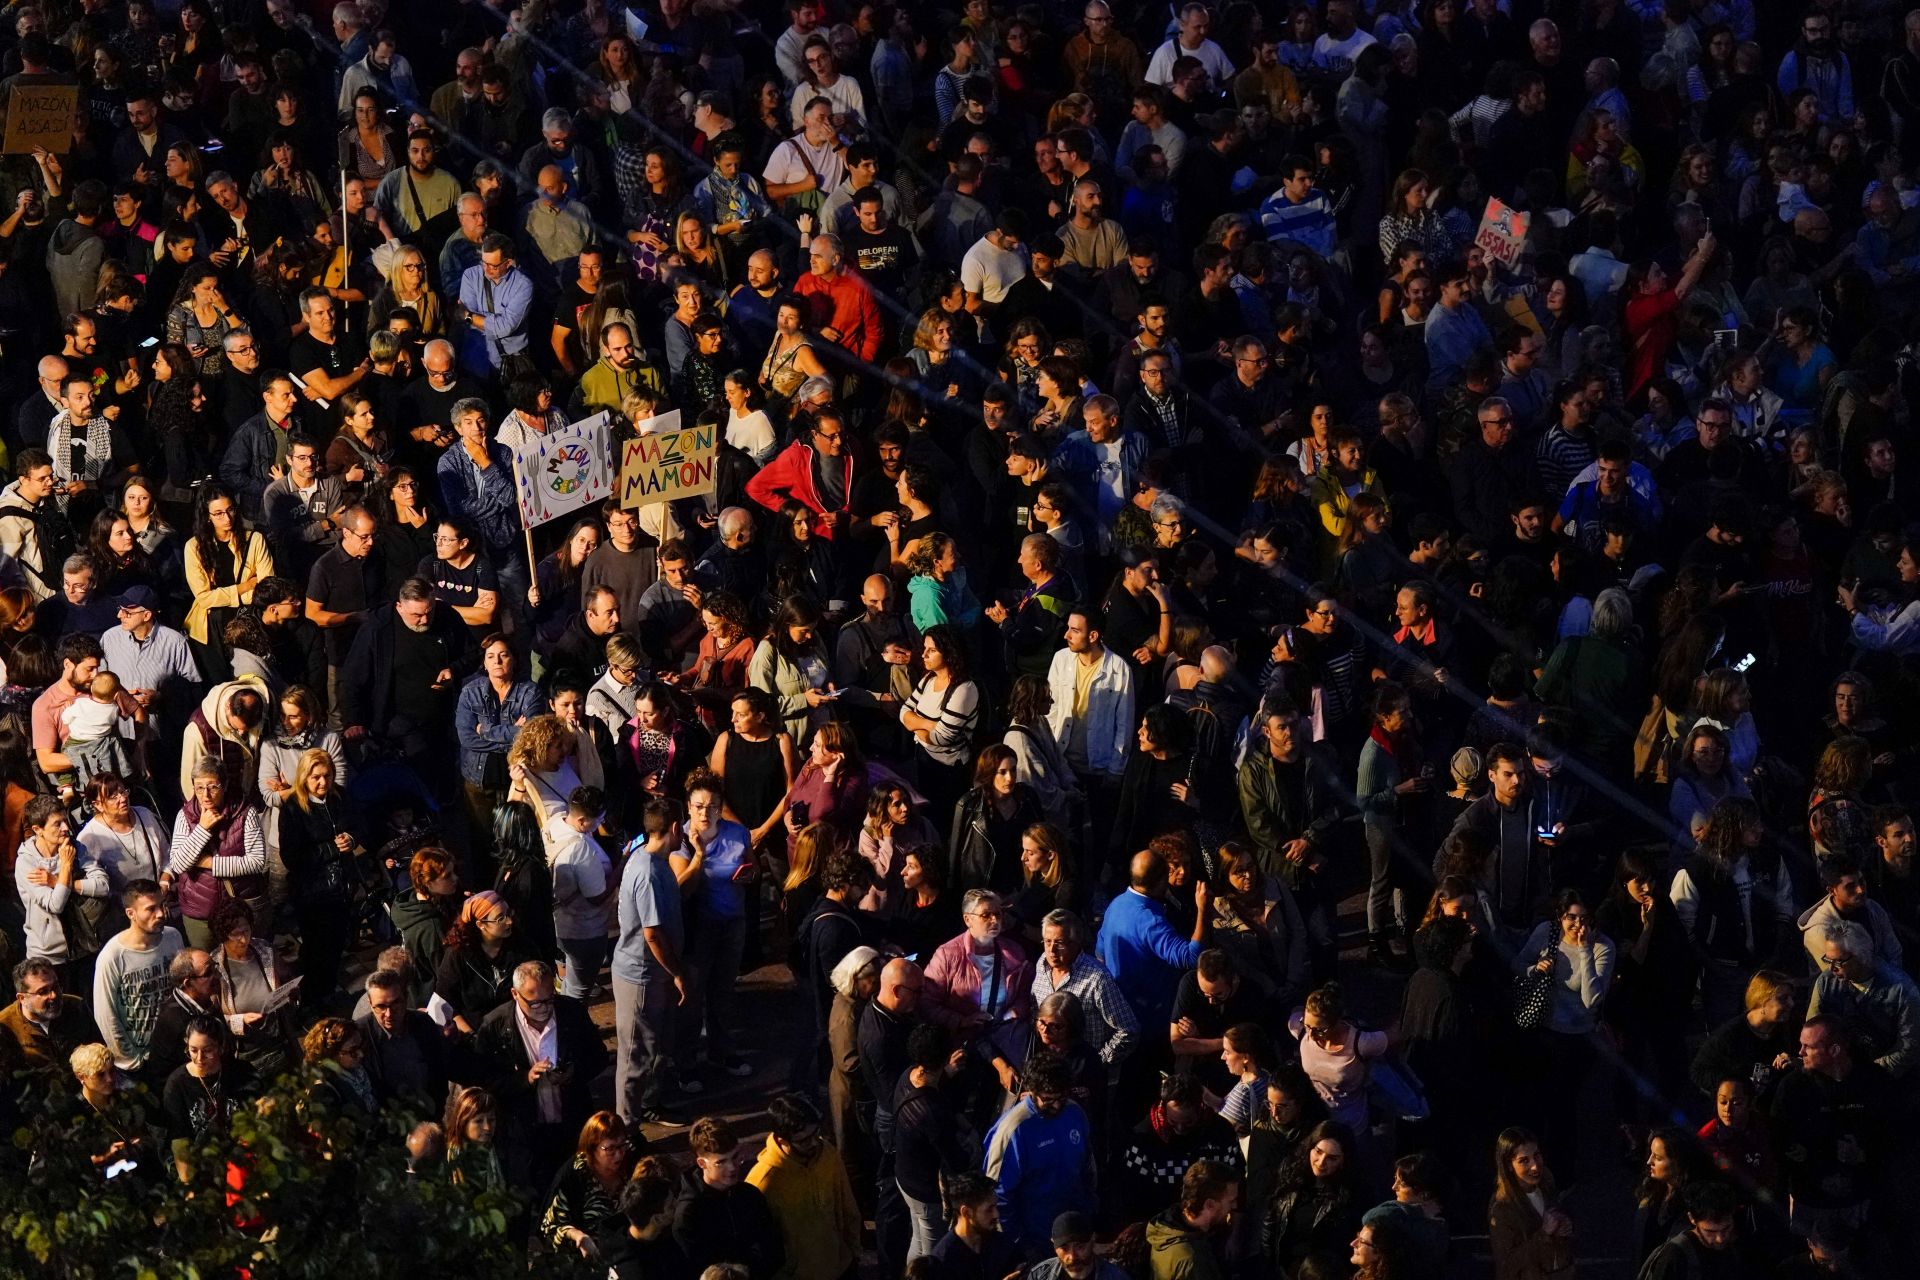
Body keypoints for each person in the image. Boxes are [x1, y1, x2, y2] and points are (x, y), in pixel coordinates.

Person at [612, 798, 690, 1125]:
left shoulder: (651, 861)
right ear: (673, 828)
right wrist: (677, 973)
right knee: (635, 1057)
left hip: (651, 975)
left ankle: (648, 1104)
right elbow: (652, 934)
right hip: (640, 977)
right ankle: (627, 1128)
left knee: (652, 1047)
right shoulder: (646, 872)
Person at [746, 1093, 863, 1280]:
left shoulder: (827, 1154)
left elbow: (846, 1203)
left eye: (816, 1133)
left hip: (840, 1264)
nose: (814, 1142)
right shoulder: (762, 1181)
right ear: (782, 1140)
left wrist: (854, 1249)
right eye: (803, 1140)